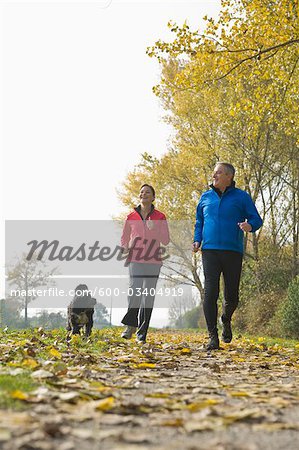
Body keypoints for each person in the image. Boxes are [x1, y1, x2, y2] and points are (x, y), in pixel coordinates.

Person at [193, 163, 263, 350]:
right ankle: (212, 336)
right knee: (210, 293)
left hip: (232, 251)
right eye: (214, 172)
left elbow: (257, 219)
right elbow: (199, 221)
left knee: (232, 297)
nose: (214, 175)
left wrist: (250, 226)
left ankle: (226, 318)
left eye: (219, 172)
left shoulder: (241, 197)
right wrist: (197, 240)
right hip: (209, 251)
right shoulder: (205, 197)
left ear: (229, 176)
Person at [120, 184, 170, 344]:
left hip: (153, 261)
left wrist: (154, 228)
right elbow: (124, 236)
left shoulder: (160, 217)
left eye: (148, 192)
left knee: (147, 297)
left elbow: (166, 240)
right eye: (141, 192)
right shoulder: (131, 216)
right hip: (135, 258)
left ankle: (142, 333)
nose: (144, 194)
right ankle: (130, 324)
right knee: (134, 291)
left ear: (153, 197)